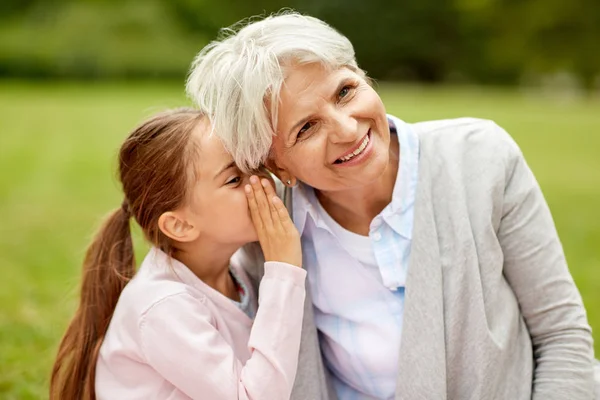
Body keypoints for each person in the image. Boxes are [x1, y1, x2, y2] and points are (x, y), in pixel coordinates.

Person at [186, 12, 599, 400]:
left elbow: (562, 337)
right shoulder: (268, 228)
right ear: (277, 165)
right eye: (307, 127)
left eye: (346, 91)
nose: (348, 129)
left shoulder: (481, 159)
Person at [50, 108, 307, 400]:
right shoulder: (163, 307)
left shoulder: (233, 270)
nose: (261, 181)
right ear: (180, 225)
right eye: (234, 179)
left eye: (253, 163)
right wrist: (284, 271)